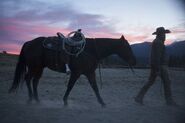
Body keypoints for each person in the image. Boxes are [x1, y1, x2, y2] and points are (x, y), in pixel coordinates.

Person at [135, 27, 177, 106]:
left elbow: (156, 56)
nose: (165, 36)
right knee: (167, 82)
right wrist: (158, 69)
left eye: (165, 34)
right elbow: (157, 57)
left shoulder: (157, 42)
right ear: (160, 34)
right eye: (163, 34)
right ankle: (169, 101)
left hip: (157, 66)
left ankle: (139, 97)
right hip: (160, 66)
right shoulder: (158, 43)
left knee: (151, 82)